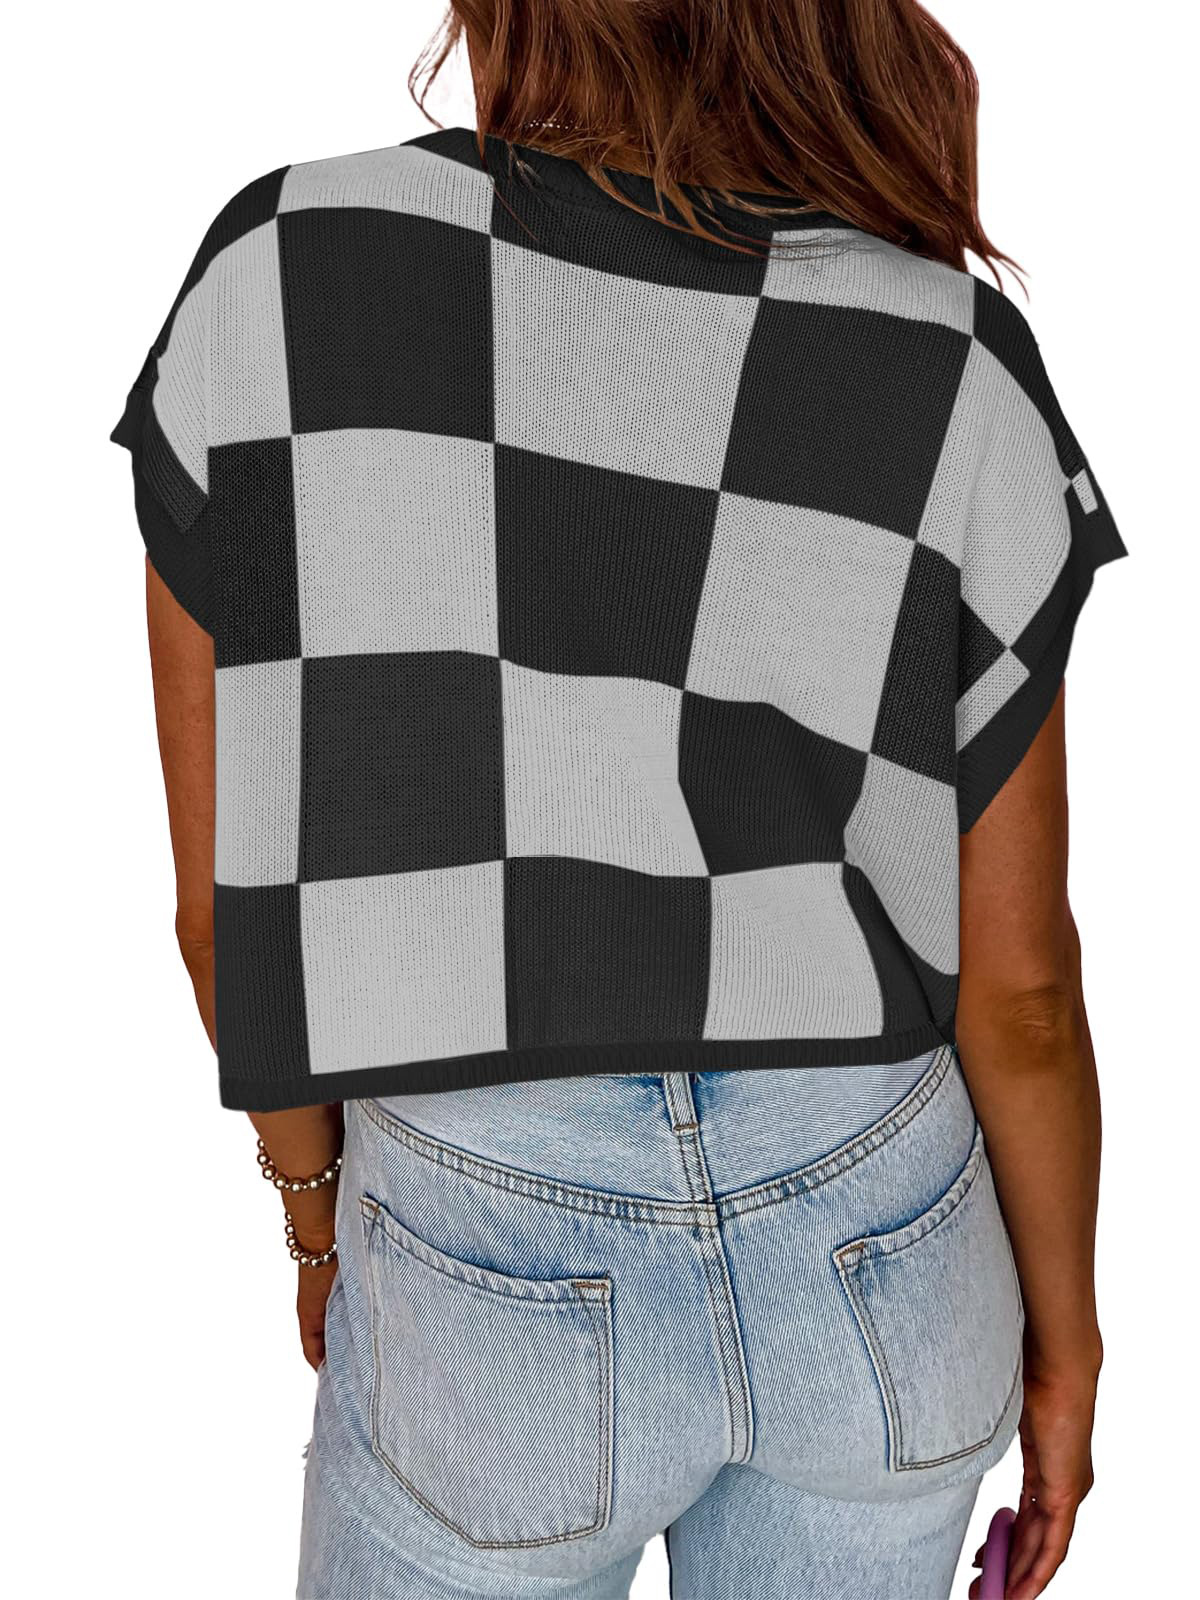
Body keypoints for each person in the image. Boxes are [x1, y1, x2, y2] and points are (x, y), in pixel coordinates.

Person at [111, 3, 1125, 1596]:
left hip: (486, 1231)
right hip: (883, 1231)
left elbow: (223, 922)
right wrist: (1065, 1351)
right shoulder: (949, 350)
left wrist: (318, 1219)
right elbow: (1026, 992)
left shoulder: (289, 267)